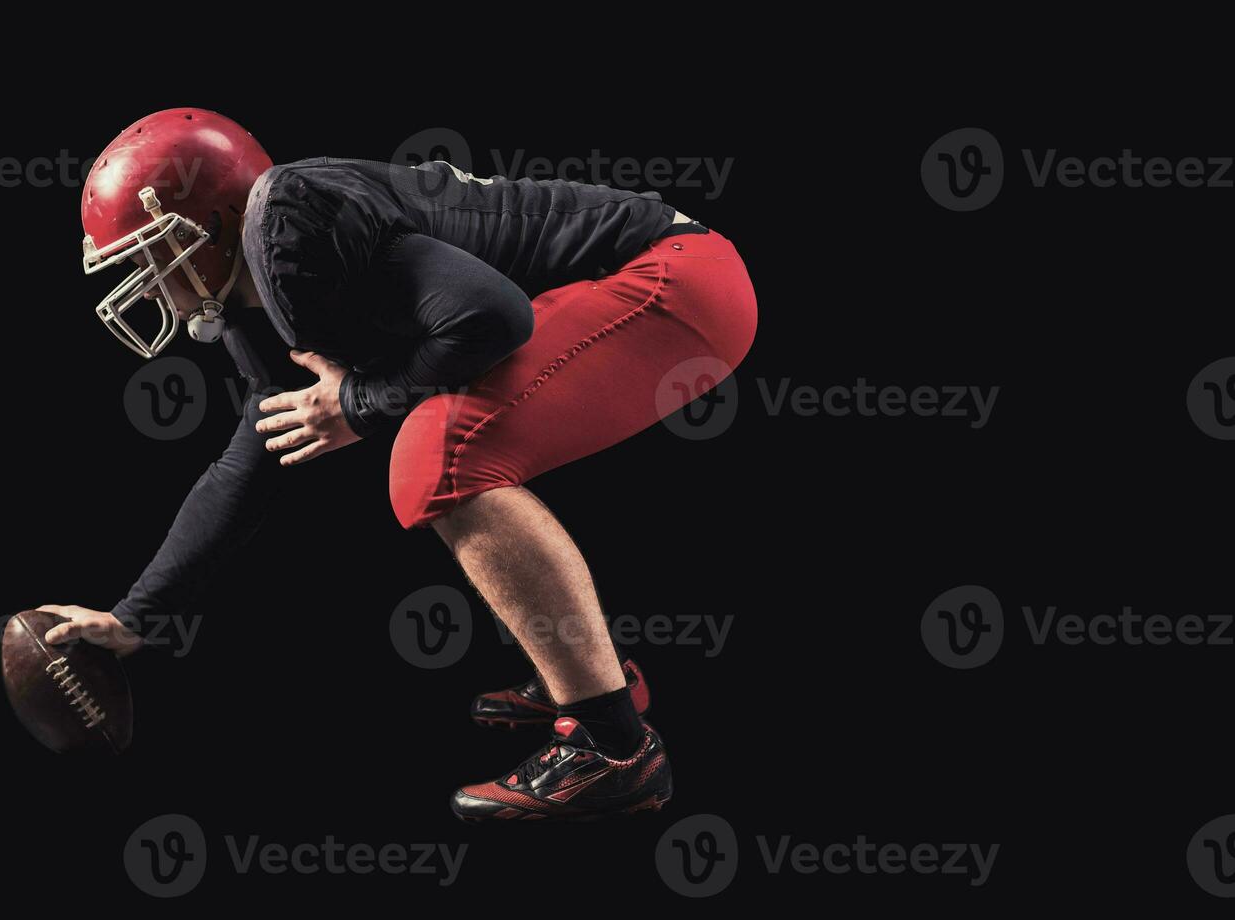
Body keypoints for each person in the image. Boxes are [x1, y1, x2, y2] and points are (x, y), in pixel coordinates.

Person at [43, 108, 757, 821]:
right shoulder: (263, 272)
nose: (146, 277)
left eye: (151, 251)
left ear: (215, 220)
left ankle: (613, 746)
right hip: (662, 275)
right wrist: (137, 616)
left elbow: (495, 315)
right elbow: (260, 449)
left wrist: (357, 403)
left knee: (438, 455)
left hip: (676, 279)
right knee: (439, 447)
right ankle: (593, 679)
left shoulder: (287, 223)